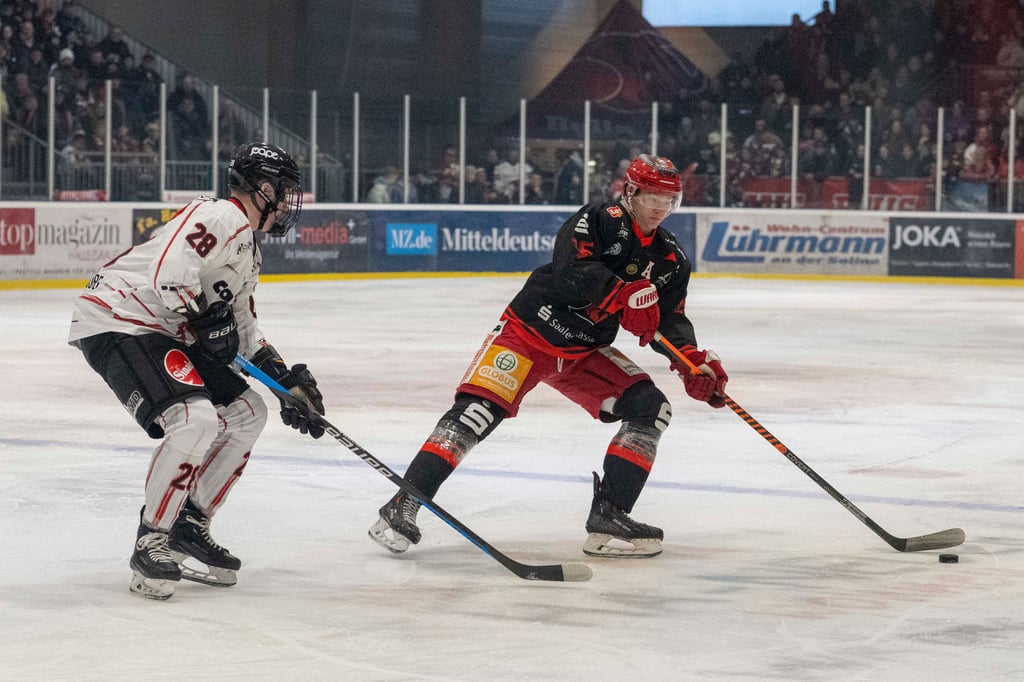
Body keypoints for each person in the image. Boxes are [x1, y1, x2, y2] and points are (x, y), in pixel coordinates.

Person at [368, 154, 728, 559]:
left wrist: (693, 361)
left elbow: (670, 319)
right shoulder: (599, 218)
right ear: (630, 192)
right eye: (652, 198)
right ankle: (404, 503)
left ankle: (610, 514)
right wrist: (621, 294)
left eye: (670, 200)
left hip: (583, 351)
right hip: (528, 334)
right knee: (476, 414)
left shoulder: (671, 259)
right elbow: (570, 272)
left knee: (651, 409)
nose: (661, 209)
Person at [68, 142, 327, 600]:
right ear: (263, 189)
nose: (289, 203)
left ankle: (189, 523)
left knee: (249, 412)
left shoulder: (248, 250)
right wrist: (211, 323)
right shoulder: (221, 216)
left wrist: (284, 378)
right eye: (284, 192)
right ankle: (152, 538)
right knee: (195, 420)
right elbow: (170, 276)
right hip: (120, 320)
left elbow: (243, 326)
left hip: (162, 328)